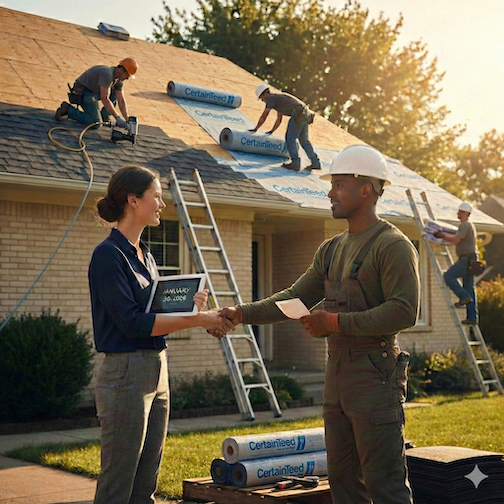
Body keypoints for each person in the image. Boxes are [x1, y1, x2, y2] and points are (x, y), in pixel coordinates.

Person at [213, 144, 420, 504]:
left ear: (366, 189)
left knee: (383, 483)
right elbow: (295, 297)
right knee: (343, 482)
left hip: (375, 373)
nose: (330, 192)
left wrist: (335, 322)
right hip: (337, 373)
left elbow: (404, 311)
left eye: (339, 184)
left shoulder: (393, 245)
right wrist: (242, 313)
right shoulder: (331, 248)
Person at [88, 164, 234, 504]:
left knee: (145, 481)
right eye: (156, 197)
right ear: (133, 200)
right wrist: (198, 321)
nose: (162, 204)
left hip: (158, 367)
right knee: (118, 482)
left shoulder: (146, 254)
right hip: (126, 373)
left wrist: (194, 310)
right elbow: (134, 323)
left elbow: (156, 311)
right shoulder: (108, 256)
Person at [250, 83, 321, 172]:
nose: (262, 101)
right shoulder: (278, 99)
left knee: (290, 139)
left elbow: (264, 116)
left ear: (265, 94)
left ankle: (295, 163)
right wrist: (271, 131)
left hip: (298, 113)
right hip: (306, 113)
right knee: (304, 140)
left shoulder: (271, 99)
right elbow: (279, 119)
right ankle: (315, 162)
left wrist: (255, 128)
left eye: (261, 98)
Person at [55, 57, 138, 128]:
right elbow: (104, 98)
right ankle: (68, 110)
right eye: (127, 75)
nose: (127, 78)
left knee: (115, 93)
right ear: (122, 69)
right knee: (95, 122)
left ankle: (104, 116)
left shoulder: (118, 80)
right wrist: (117, 117)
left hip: (94, 91)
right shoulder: (107, 74)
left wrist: (127, 119)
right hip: (84, 91)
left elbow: (121, 101)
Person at [434, 202, 479, 324]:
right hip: (471, 259)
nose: (457, 214)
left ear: (465, 213)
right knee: (469, 288)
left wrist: (441, 235)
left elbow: (456, 239)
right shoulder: (468, 226)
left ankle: (463, 297)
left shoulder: (465, 225)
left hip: (467, 259)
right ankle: (472, 317)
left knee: (448, 276)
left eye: (460, 212)